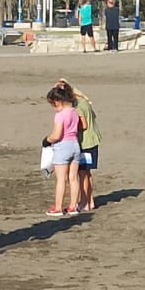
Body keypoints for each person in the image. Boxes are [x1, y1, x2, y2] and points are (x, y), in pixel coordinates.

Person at [52, 79, 101, 213]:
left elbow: (83, 125)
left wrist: (69, 125)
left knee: (83, 173)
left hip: (85, 142)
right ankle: (89, 201)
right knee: (86, 173)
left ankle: (85, 201)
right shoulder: (84, 101)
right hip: (93, 139)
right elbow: (94, 116)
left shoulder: (76, 106)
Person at [44, 86, 81, 217]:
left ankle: (58, 207)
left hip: (63, 146)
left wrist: (47, 140)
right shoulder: (74, 111)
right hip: (75, 145)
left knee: (61, 179)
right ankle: (73, 206)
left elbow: (57, 135)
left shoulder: (60, 115)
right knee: (73, 178)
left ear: (57, 101)